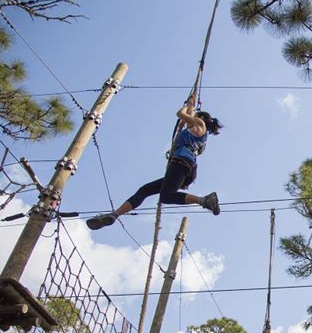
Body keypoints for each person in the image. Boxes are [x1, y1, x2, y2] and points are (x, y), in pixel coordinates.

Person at [87, 94, 222, 231]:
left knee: (166, 196)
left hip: (181, 162)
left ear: (202, 118)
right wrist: (191, 105)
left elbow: (180, 114)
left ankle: (204, 200)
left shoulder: (200, 124)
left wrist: (187, 106)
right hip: (186, 167)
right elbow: (188, 120)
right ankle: (115, 214)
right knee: (145, 190)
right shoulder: (198, 132)